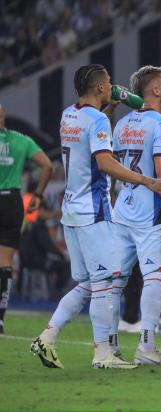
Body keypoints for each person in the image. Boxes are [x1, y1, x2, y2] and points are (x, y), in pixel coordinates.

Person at [30, 64, 161, 369]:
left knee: (88, 284)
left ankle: (47, 337)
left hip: (71, 211)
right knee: (106, 282)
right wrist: (145, 180)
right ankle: (103, 354)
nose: (112, 87)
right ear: (98, 89)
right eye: (108, 83)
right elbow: (105, 163)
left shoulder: (69, 114)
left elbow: (89, 141)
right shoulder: (97, 121)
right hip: (94, 212)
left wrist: (108, 113)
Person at [110, 65, 161, 366]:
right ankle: (147, 348)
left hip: (121, 211)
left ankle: (107, 347)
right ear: (155, 90)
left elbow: (115, 168)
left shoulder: (122, 124)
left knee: (113, 282)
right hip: (149, 214)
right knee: (155, 279)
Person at [0, 103, 53, 334]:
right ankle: (0, 319)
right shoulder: (21, 140)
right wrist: (38, 195)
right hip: (12, 202)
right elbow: (48, 166)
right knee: (5, 261)